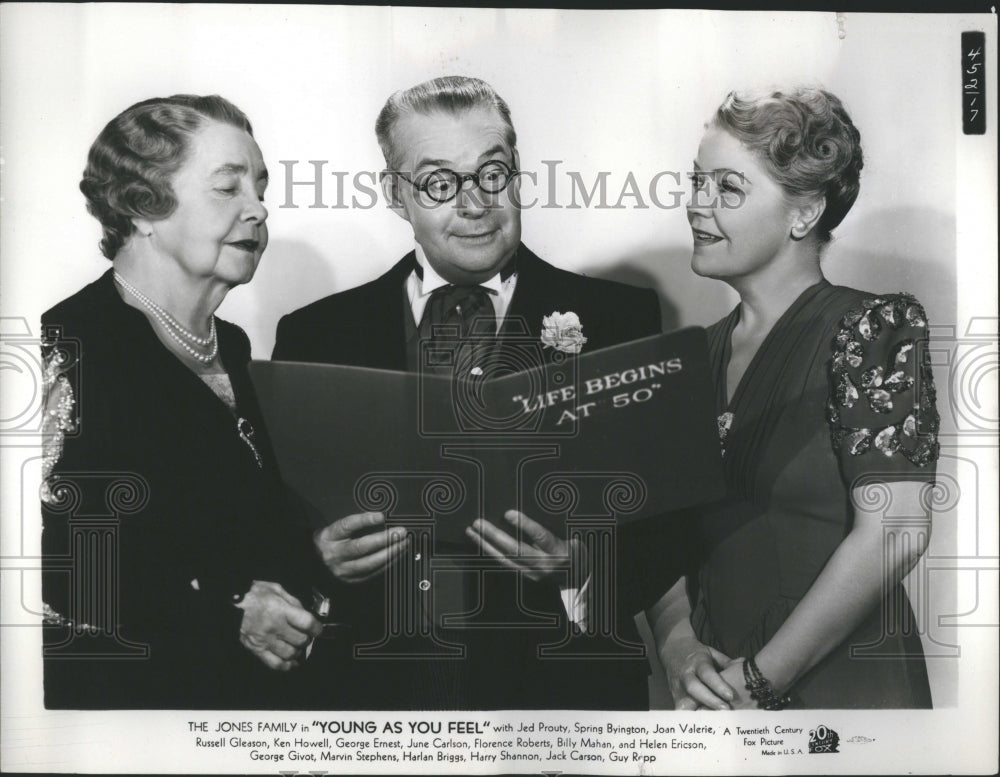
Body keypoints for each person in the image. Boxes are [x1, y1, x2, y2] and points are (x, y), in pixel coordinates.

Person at [273, 75, 689, 709]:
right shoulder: (314, 333)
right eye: (440, 183)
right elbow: (268, 520)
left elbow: (667, 527)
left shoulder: (619, 318)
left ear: (518, 173)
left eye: (492, 173)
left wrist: (581, 568)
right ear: (395, 194)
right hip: (370, 692)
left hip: (560, 690)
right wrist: (314, 559)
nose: (474, 205)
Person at [647, 87, 939, 709]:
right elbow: (660, 536)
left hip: (841, 687)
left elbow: (898, 532)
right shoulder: (688, 358)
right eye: (697, 182)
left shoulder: (872, 328)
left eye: (727, 188)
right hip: (715, 692)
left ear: (803, 213)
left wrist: (759, 681)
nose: (697, 205)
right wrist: (679, 649)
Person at [40, 95, 329, 708]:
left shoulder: (233, 345)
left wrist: (313, 559)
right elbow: (60, 569)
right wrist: (230, 605)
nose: (258, 209)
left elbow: (242, 529)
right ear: (143, 206)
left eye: (260, 187)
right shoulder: (69, 347)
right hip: (132, 708)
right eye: (228, 188)